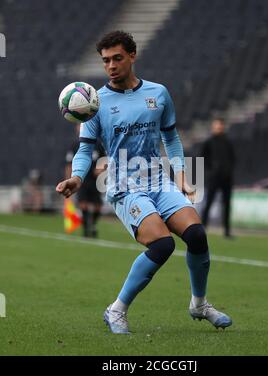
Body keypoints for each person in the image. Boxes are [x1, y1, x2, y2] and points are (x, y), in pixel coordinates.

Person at [56, 31, 232, 334]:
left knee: (198, 236)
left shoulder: (159, 93)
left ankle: (199, 304)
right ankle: (116, 310)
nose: (110, 65)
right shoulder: (94, 103)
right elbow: (86, 149)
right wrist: (76, 176)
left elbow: (171, 138)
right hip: (125, 187)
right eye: (105, 61)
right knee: (162, 245)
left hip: (159, 182)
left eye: (117, 58)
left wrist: (182, 177)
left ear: (132, 55)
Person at [65, 123, 105, 238]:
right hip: (81, 180)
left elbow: (104, 160)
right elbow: (68, 164)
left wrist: (100, 169)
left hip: (95, 180)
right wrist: (69, 178)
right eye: (79, 126)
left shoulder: (98, 145)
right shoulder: (74, 145)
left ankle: (92, 224)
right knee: (83, 205)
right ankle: (87, 229)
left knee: (98, 206)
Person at [201, 118, 235, 238]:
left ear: (223, 127)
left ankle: (227, 231)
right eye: (216, 126)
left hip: (226, 178)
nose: (218, 128)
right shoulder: (209, 142)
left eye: (220, 126)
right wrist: (211, 169)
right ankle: (202, 228)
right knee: (208, 202)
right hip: (214, 178)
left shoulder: (228, 142)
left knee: (227, 204)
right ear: (213, 127)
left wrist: (229, 170)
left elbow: (233, 158)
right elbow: (203, 157)